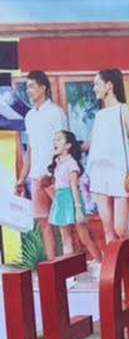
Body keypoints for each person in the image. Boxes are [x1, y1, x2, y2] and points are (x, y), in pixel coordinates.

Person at [87, 69, 129, 244]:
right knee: (108, 230)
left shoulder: (123, 110)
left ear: (109, 85)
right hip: (99, 173)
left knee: (120, 228)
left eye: (97, 84)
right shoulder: (99, 115)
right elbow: (96, 146)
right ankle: (114, 263)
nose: (94, 88)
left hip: (120, 174)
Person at [15, 71, 67, 260]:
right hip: (36, 178)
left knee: (65, 224)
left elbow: (64, 146)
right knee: (44, 223)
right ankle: (52, 266)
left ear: (43, 87)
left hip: (55, 178)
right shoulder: (30, 116)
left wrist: (53, 174)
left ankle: (74, 268)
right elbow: (30, 150)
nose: (28, 91)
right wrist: (21, 179)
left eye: (31, 86)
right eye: (26, 87)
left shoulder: (56, 112)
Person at [47, 130, 102, 263]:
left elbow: (74, 187)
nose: (55, 142)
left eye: (59, 139)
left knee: (84, 237)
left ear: (68, 145)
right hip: (60, 199)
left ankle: (100, 262)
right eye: (54, 139)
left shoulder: (71, 163)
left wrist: (78, 209)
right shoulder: (58, 163)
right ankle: (70, 269)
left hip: (71, 199)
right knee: (65, 238)